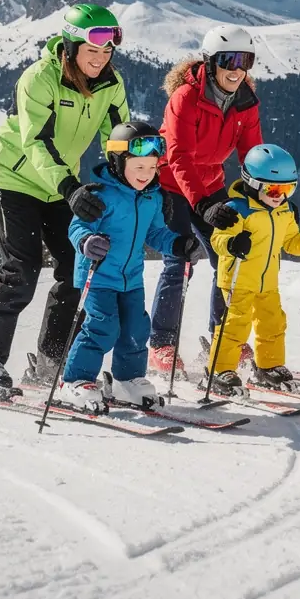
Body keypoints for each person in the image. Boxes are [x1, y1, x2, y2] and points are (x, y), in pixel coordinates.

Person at [0, 4, 129, 394]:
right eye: (91, 52)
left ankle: (52, 358)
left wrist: (135, 182)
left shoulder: (111, 85)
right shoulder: (40, 79)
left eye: (106, 52)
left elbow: (118, 140)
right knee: (22, 267)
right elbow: (37, 141)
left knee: (75, 265)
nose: (100, 60)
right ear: (70, 48)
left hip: (60, 184)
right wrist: (71, 188)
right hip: (14, 178)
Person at [54, 122, 203, 412]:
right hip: (98, 277)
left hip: (131, 279)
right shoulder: (99, 195)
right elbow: (78, 227)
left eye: (151, 168)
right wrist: (87, 241)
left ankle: (127, 379)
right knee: (102, 327)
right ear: (118, 161)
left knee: (136, 328)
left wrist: (178, 245)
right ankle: (75, 381)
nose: (146, 176)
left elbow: (156, 233)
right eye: (138, 168)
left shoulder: (153, 197)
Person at [148, 24, 264, 375]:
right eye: (229, 60)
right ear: (211, 62)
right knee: (179, 258)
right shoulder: (185, 97)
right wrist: (201, 204)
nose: (236, 69)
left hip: (211, 181)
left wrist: (270, 194)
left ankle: (221, 337)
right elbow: (178, 154)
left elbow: (253, 154)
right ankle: (161, 344)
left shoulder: (245, 101)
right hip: (171, 182)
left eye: (245, 61)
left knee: (227, 257)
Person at [204, 144, 300, 396]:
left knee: (273, 323)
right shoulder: (237, 210)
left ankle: (268, 366)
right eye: (272, 189)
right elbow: (218, 240)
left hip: (268, 282)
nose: (279, 195)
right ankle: (219, 370)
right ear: (251, 182)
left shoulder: (285, 211)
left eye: (287, 189)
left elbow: (290, 241)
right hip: (238, 279)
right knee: (235, 325)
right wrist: (232, 243)